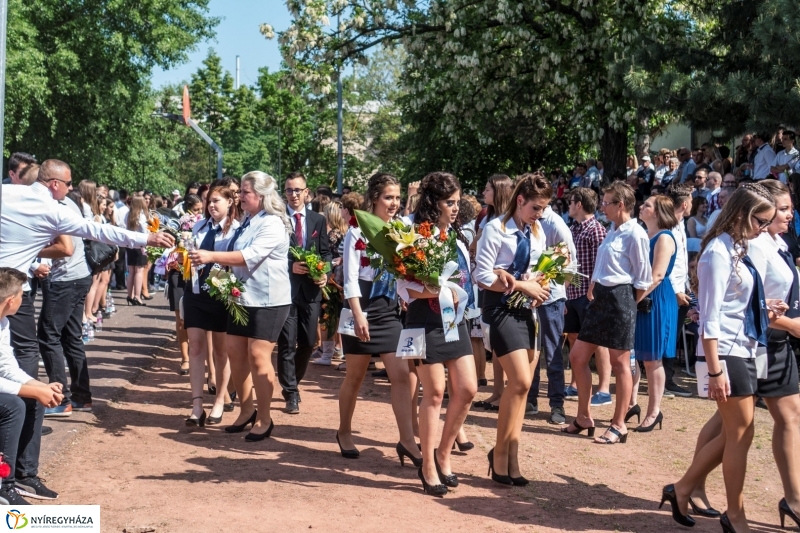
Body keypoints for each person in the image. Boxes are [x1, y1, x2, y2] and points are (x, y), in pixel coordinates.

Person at [0, 159, 173, 501]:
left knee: (22, 381)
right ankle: (19, 475)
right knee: (24, 383)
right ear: (54, 185)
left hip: (12, 292)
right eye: (67, 184)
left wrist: (33, 262)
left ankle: (19, 474)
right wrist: (145, 238)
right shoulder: (54, 209)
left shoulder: (6, 194)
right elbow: (99, 231)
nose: (70, 189)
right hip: (10, 297)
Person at [663, 184, 777, 531]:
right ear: (742, 214)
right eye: (761, 220)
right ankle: (735, 513)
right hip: (724, 351)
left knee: (736, 433)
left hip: (741, 346)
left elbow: (731, 303)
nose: (764, 228)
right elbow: (710, 315)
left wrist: (763, 306)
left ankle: (682, 489)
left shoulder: (738, 247)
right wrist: (714, 371)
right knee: (740, 435)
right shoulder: (717, 252)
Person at [188, 171, 291, 442]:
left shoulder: (272, 223)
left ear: (261, 195)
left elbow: (248, 256)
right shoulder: (248, 221)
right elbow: (227, 244)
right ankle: (246, 410)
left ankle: (265, 418)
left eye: (244, 192)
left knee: (258, 357)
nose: (239, 196)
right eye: (239, 192)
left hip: (269, 300)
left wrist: (210, 255)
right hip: (241, 298)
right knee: (236, 354)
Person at [397, 171, 477, 496]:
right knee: (433, 392)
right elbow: (404, 287)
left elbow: (463, 281)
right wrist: (430, 289)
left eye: (458, 202)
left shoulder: (457, 240)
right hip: (423, 320)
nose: (455, 208)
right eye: (449, 202)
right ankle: (427, 464)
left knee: (469, 388)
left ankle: (444, 453)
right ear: (434, 203)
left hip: (454, 320)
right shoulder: (416, 238)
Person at [335, 173, 420, 466]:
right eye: (388, 197)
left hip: (388, 310)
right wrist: (359, 314)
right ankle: (344, 431)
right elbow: (349, 278)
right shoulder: (356, 231)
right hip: (359, 307)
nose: (394, 203)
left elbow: (402, 273)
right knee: (355, 377)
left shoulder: (399, 229)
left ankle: (407, 441)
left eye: (397, 197)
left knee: (403, 377)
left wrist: (407, 297)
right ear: (374, 198)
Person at [475, 174, 552, 485]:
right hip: (499, 307)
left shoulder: (535, 231)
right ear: (520, 200)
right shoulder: (495, 229)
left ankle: (509, 454)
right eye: (536, 208)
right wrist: (522, 284)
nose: (539, 215)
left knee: (523, 387)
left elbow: (536, 270)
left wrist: (541, 281)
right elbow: (482, 275)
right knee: (518, 380)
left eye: (543, 209)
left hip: (526, 309)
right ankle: (501, 455)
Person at [562, 181, 652, 445]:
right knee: (578, 356)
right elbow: (604, 265)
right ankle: (584, 417)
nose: (602, 206)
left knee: (620, 363)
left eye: (607, 202)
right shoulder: (613, 230)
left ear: (620, 205)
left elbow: (643, 279)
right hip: (600, 298)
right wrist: (593, 284)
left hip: (620, 299)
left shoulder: (635, 234)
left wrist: (626, 305)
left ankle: (618, 424)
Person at [0, 268, 66, 504]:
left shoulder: (3, 322)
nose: (24, 299)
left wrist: (40, 386)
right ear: (11, 300)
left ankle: (24, 475)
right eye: (22, 295)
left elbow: (6, 367)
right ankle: (3, 485)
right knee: (13, 405)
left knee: (34, 399)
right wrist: (32, 390)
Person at [183, 183, 240, 427]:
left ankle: (219, 401)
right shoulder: (199, 225)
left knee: (220, 350)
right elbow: (190, 252)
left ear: (230, 203)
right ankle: (197, 406)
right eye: (210, 201)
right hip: (195, 290)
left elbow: (237, 262)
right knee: (195, 347)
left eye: (217, 200)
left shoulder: (236, 229)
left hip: (221, 292)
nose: (212, 205)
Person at [277, 172, 331, 415]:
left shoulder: (317, 220)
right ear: (284, 193)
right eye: (289, 190)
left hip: (310, 290)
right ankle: (290, 391)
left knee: (309, 342)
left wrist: (325, 273)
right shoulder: (277, 220)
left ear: (307, 192)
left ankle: (293, 382)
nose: (294, 194)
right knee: (287, 342)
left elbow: (326, 253)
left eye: (298, 190)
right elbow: (271, 253)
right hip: (285, 290)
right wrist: (290, 264)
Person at [37, 191, 94, 417]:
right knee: (71, 337)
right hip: (78, 275)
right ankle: (81, 397)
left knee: (48, 335)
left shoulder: (57, 204)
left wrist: (31, 251)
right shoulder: (68, 201)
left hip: (65, 278)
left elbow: (65, 248)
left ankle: (60, 400)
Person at [528, 192, 576, 425]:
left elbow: (569, 262)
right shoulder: (525, 220)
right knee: (530, 351)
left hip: (550, 298)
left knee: (553, 351)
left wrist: (556, 289)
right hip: (528, 295)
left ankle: (557, 404)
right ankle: (531, 399)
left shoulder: (555, 224)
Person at [631, 195, 678, 432]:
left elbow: (657, 276)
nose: (641, 206)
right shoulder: (646, 235)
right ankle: (634, 405)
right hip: (644, 299)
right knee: (640, 356)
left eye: (647, 205)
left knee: (652, 358)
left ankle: (654, 411)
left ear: (658, 212)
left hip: (655, 299)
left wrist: (632, 299)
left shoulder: (664, 238)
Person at [563, 188, 611, 406]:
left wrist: (595, 292)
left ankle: (603, 389)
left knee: (598, 342)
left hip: (589, 295)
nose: (568, 205)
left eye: (571, 201)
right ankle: (574, 383)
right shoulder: (573, 228)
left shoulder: (596, 230)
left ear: (579, 204)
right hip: (572, 292)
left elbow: (602, 265)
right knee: (573, 337)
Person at [472, 174, 514, 411]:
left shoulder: (504, 222)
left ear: (498, 192)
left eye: (487, 188)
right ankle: (497, 391)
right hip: (486, 284)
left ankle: (503, 392)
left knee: (501, 342)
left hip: (502, 287)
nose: (484, 191)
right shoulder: (487, 217)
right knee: (494, 342)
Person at [311, 200, 348, 366]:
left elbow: (328, 257)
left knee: (328, 316)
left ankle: (327, 353)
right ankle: (337, 349)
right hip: (337, 280)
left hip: (332, 280)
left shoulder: (332, 235)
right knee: (336, 316)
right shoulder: (343, 232)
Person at [124, 197, 150, 306]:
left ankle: (130, 295)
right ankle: (137, 296)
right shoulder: (142, 215)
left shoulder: (128, 215)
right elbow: (144, 231)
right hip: (140, 245)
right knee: (139, 271)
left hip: (130, 244)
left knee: (131, 271)